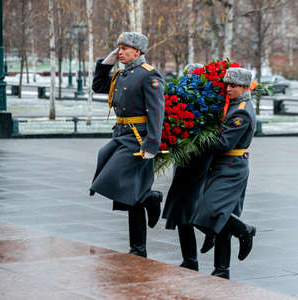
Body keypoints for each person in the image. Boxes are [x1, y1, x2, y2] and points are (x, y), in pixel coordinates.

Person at [90, 32, 165, 257]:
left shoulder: (148, 75)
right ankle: (138, 248)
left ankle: (149, 198)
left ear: (138, 51)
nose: (120, 52)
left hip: (138, 139)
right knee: (127, 193)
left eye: (124, 48)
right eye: (119, 48)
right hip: (120, 135)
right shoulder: (122, 74)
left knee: (114, 180)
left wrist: (152, 145)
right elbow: (98, 87)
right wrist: (105, 65)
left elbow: (156, 111)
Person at [191, 67, 257, 280]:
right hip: (223, 165)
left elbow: (224, 143)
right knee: (220, 220)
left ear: (245, 87)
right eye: (227, 84)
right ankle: (221, 268)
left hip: (231, 167)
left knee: (210, 211)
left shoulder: (241, 111)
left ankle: (244, 230)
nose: (228, 88)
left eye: (233, 85)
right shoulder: (232, 105)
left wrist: (195, 137)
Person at [162, 63, 210, 272]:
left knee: (188, 208)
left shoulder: (208, 102)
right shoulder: (183, 98)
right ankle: (190, 259)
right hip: (184, 159)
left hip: (198, 160)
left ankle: (216, 230)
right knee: (182, 210)